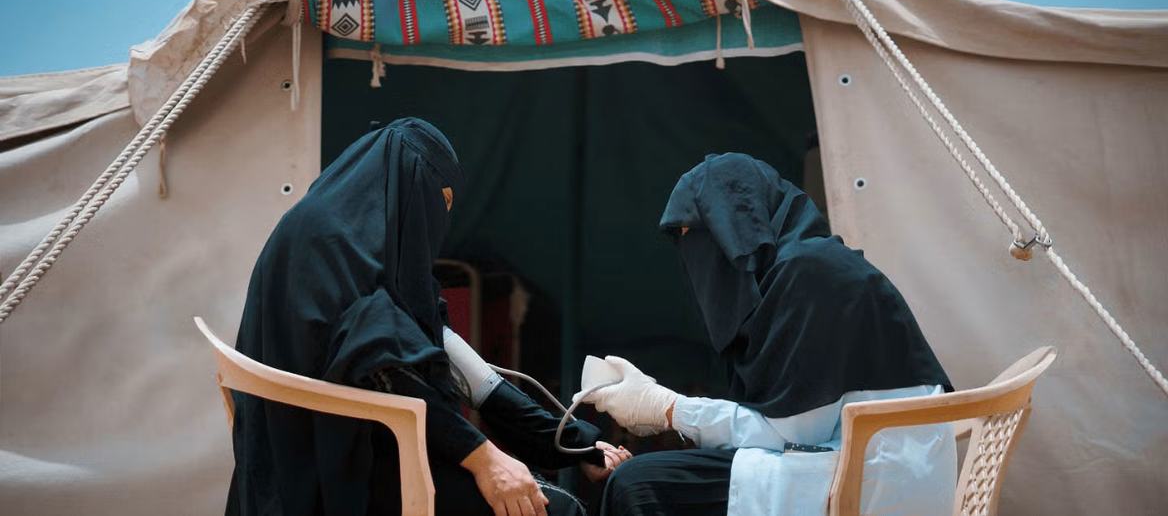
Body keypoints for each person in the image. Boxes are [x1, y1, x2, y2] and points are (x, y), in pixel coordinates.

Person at [228, 118, 630, 516]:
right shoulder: (332, 248)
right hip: (331, 473)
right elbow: (388, 373)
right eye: (441, 201)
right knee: (555, 509)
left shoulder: (339, 236)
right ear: (410, 188)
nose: (438, 222)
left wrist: (577, 443)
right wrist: (486, 460)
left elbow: (471, 376)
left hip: (325, 450)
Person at [578, 153, 956, 515]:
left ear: (734, 225)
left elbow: (793, 431)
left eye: (696, 232)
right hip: (847, 460)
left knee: (640, 483)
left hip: (873, 478)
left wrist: (668, 408)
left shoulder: (813, 276)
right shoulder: (796, 274)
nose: (693, 256)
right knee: (655, 476)